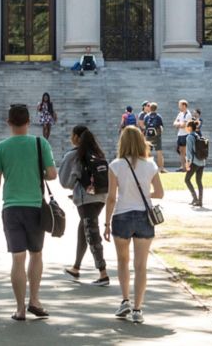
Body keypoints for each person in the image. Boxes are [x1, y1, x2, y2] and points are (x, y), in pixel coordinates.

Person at [0, 102, 56, 322]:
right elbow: (52, 174)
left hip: (11, 207)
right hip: (35, 206)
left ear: (8, 122)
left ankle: (20, 309)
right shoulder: (40, 143)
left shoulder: (1, 147)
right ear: (28, 121)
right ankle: (34, 299)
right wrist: (35, 172)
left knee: (17, 258)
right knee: (36, 254)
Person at [104, 125, 164, 325]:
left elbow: (111, 197)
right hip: (143, 217)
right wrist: (145, 194)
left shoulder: (116, 165)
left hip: (121, 215)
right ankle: (138, 308)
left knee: (123, 262)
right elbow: (160, 193)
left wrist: (105, 223)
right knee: (141, 266)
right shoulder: (150, 165)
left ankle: (125, 300)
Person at [59, 125, 110, 285]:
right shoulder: (98, 153)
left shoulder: (73, 156)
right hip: (101, 197)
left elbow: (65, 182)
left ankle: (103, 273)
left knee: (92, 233)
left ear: (75, 137)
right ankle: (76, 267)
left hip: (85, 199)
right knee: (85, 228)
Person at [184, 119, 205, 208]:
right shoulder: (197, 135)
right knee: (199, 181)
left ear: (189, 127)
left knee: (187, 180)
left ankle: (195, 198)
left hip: (194, 162)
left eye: (186, 126)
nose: (185, 127)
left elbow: (189, 152)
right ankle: (199, 201)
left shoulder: (189, 137)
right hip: (202, 161)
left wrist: (187, 163)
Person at [143, 102, 165, 173]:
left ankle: (148, 168)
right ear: (156, 108)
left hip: (148, 136)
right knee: (159, 152)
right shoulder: (158, 116)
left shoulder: (146, 116)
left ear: (150, 108)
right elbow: (161, 127)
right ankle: (160, 168)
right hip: (157, 136)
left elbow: (144, 125)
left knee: (148, 152)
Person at [173, 99, 193, 170]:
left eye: (180, 105)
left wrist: (178, 124)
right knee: (180, 151)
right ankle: (183, 166)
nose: (179, 107)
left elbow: (183, 125)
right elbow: (174, 122)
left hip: (186, 135)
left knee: (184, 151)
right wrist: (179, 124)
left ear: (184, 106)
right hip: (180, 134)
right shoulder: (180, 113)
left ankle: (186, 167)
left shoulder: (188, 114)